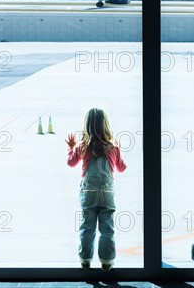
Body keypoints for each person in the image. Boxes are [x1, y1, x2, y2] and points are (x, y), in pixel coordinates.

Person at [66, 108, 127, 271]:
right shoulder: (112, 146)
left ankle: (85, 259)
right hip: (107, 192)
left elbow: (71, 163)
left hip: (89, 192)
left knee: (87, 226)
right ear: (105, 125)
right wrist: (119, 151)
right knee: (107, 228)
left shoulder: (83, 146)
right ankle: (107, 262)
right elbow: (121, 168)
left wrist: (71, 148)